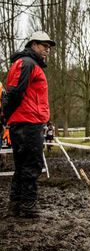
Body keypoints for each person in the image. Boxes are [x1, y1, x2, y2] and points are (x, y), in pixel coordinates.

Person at [3, 31, 55, 218]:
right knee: (32, 164)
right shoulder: (27, 63)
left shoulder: (28, 64)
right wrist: (6, 115)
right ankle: (28, 205)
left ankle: (16, 205)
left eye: (48, 47)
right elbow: (15, 92)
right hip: (27, 122)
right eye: (44, 46)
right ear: (33, 44)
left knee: (22, 165)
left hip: (26, 121)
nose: (47, 51)